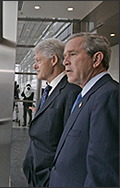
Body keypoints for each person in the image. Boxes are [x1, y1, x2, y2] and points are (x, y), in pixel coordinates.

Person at [49, 32, 119, 187]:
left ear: (96, 59)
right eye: (64, 56)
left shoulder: (108, 95)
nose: (65, 62)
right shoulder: (86, 95)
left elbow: (103, 170)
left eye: (72, 54)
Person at [23, 38, 81, 187]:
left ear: (54, 59)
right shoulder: (49, 90)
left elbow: (70, 143)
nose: (35, 65)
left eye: (38, 60)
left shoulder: (71, 91)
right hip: (35, 172)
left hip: (50, 177)